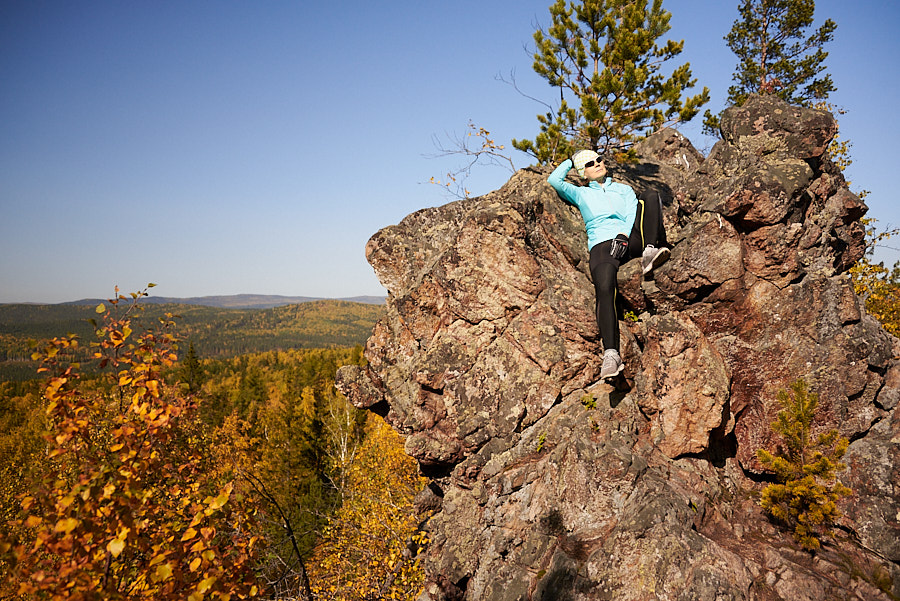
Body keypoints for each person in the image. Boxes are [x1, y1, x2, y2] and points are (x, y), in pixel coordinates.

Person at [548, 149, 670, 380]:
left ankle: (650, 251)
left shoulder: (622, 189)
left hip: (630, 238)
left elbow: (632, 212)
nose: (597, 164)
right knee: (604, 288)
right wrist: (572, 160)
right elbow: (554, 180)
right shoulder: (580, 193)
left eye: (599, 159)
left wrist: (623, 235)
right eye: (590, 163)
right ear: (583, 173)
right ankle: (611, 356)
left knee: (651, 195)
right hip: (602, 244)